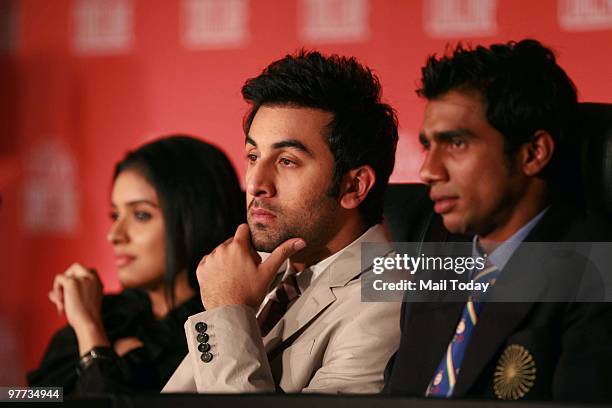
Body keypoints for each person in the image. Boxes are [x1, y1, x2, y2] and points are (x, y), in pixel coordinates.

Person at [384, 39, 612, 402]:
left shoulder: (597, 272)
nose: (428, 170)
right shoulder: (439, 261)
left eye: (456, 143)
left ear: (533, 153)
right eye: (428, 146)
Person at [163, 50, 401, 393]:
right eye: (253, 156)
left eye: (287, 161)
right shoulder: (261, 276)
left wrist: (228, 311)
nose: (256, 183)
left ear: (353, 186)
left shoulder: (389, 303)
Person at [28, 135, 244, 395]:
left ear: (195, 220)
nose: (115, 235)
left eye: (141, 215)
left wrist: (91, 334)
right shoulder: (107, 314)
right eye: (115, 215)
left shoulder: (215, 330)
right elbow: (22, 397)